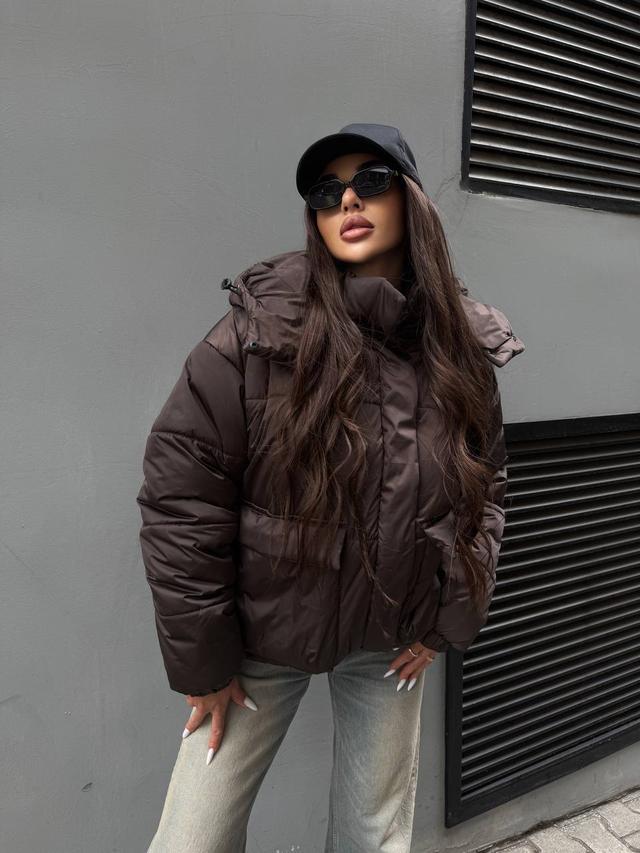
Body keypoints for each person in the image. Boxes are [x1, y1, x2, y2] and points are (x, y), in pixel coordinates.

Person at [136, 122, 525, 852]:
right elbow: (182, 495)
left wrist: (447, 617)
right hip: (261, 634)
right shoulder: (258, 330)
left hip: (391, 639)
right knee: (192, 837)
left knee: (373, 838)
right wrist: (204, 662)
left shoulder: (456, 346)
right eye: (325, 191)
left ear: (411, 199)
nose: (347, 200)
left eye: (370, 181)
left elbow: (487, 485)